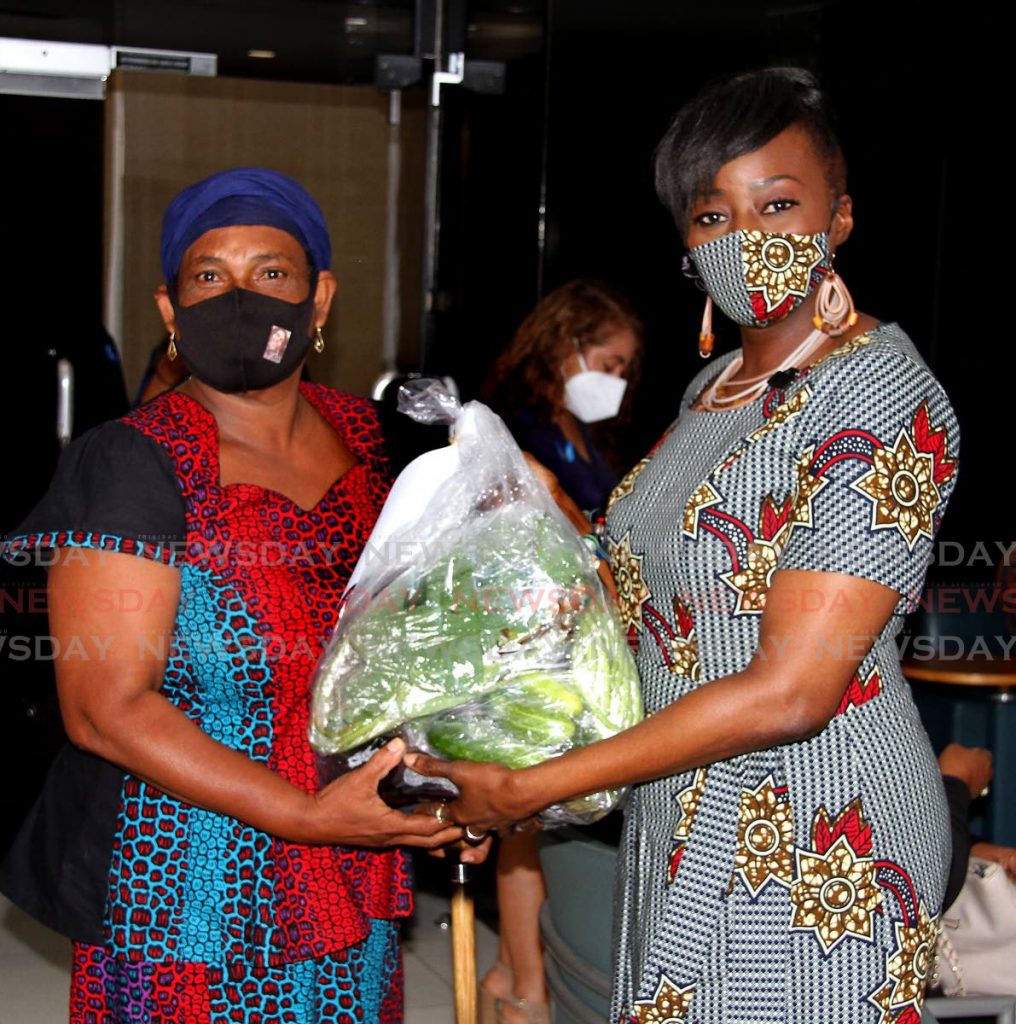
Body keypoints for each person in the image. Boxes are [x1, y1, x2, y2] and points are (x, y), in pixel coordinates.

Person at [408, 68, 961, 1023]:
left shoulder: (878, 393)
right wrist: (483, 726)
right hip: (675, 803)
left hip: (814, 830)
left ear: (841, 217)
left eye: (778, 204)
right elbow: (643, 609)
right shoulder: (709, 392)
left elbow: (793, 692)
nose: (747, 238)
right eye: (713, 216)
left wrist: (530, 789)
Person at [0, 167, 464, 1022]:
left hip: (348, 860)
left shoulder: (375, 443)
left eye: (272, 273)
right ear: (170, 311)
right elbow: (105, 708)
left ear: (319, 299)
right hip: (185, 885)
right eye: (208, 276)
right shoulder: (133, 460)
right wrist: (305, 815)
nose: (240, 298)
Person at [478, 280, 641, 1023]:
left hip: (581, 641)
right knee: (525, 816)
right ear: (563, 349)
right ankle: (522, 979)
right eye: (607, 364)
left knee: (546, 814)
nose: (615, 383)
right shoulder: (514, 430)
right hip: (525, 640)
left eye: (625, 371)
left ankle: (518, 975)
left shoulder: (588, 435)